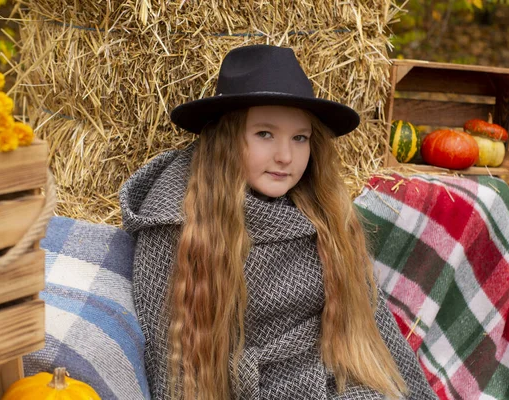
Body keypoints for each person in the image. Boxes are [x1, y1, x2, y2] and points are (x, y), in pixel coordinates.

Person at [119, 44, 437, 400]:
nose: (286, 156)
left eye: (300, 138)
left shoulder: (324, 211)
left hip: (337, 382)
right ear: (226, 138)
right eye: (265, 134)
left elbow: (372, 328)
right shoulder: (177, 219)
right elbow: (168, 360)